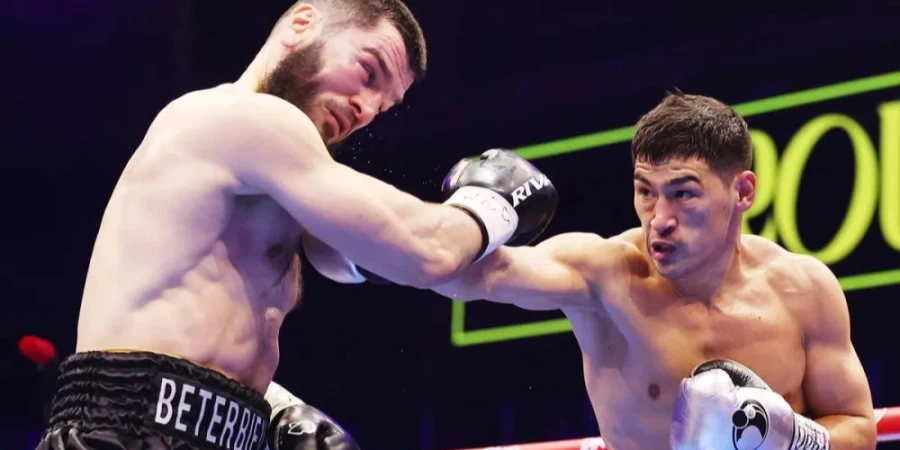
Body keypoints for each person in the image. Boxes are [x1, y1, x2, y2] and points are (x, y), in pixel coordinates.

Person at [35, 0, 558, 449]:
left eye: (383, 107)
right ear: (302, 24)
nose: (366, 108)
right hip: (121, 431)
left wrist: (273, 407)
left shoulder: (281, 188)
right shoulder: (246, 118)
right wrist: (493, 203)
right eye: (368, 72)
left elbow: (189, 332)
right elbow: (427, 250)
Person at [428, 91, 878, 449]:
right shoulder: (605, 276)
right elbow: (463, 274)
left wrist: (792, 440)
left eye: (683, 194)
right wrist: (475, 215)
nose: (659, 219)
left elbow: (859, 429)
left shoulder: (803, 290)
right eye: (646, 191)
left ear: (742, 192)